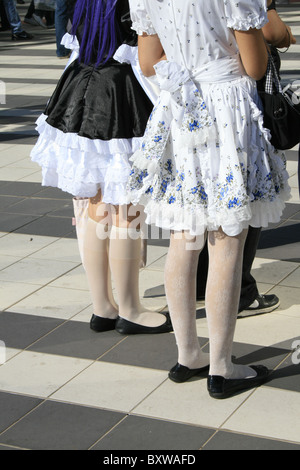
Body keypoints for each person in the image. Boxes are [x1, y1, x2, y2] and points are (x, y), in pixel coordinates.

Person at [127, 0, 290, 398]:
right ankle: (222, 367)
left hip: (180, 108)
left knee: (185, 237)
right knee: (227, 242)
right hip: (227, 108)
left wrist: (187, 60)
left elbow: (148, 63)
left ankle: (188, 356)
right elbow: (254, 66)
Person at [30, 0, 172, 335]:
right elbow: (152, 59)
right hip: (123, 94)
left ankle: (102, 307)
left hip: (80, 87)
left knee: (93, 205)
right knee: (125, 209)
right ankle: (131, 308)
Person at [196, 0, 296, 318]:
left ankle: (202, 282)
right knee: (244, 197)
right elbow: (265, 47)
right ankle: (241, 291)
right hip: (236, 103)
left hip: (190, 100)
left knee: (201, 197)